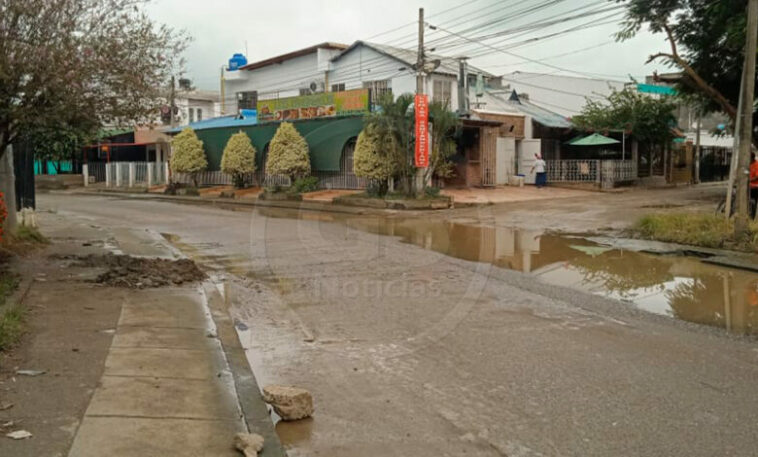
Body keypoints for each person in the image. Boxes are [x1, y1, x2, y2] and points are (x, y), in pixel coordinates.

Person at [751, 152, 758, 217]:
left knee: (754, 201)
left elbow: (757, 176)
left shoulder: (756, 165)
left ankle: (752, 216)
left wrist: (750, 180)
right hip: (749, 186)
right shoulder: (749, 164)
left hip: (755, 186)